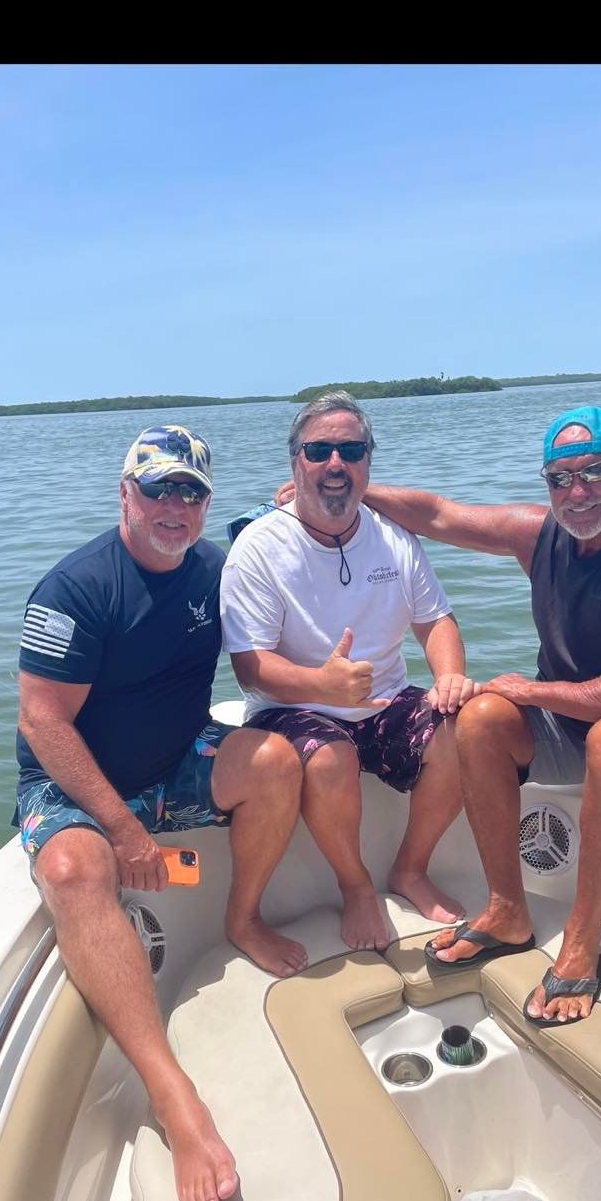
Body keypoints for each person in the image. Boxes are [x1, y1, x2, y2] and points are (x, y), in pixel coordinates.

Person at [15, 424, 305, 1201]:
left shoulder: (214, 565)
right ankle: (171, 1091)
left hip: (176, 760)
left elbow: (277, 533)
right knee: (73, 871)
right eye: (158, 489)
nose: (175, 506)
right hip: (76, 784)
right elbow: (42, 722)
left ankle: (242, 919)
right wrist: (121, 828)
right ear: (125, 494)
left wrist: (290, 508)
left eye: (191, 492)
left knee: (278, 762)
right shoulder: (74, 591)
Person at [360, 405, 601, 1024]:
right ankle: (507, 911)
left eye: (595, 472)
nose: (577, 492)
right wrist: (349, 487)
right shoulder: (540, 534)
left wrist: (530, 692)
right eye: (560, 478)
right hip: (573, 720)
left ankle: (582, 940)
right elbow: (439, 515)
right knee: (478, 717)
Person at [219, 392, 477, 953]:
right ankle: (356, 887)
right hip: (292, 708)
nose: (335, 463)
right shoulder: (258, 548)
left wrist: (450, 676)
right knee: (330, 756)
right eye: (319, 450)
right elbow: (249, 666)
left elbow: (436, 621)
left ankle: (410, 869)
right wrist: (322, 685)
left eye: (351, 450)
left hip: (384, 700)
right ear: (296, 461)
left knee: (467, 728)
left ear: (367, 461)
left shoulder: (394, 537)